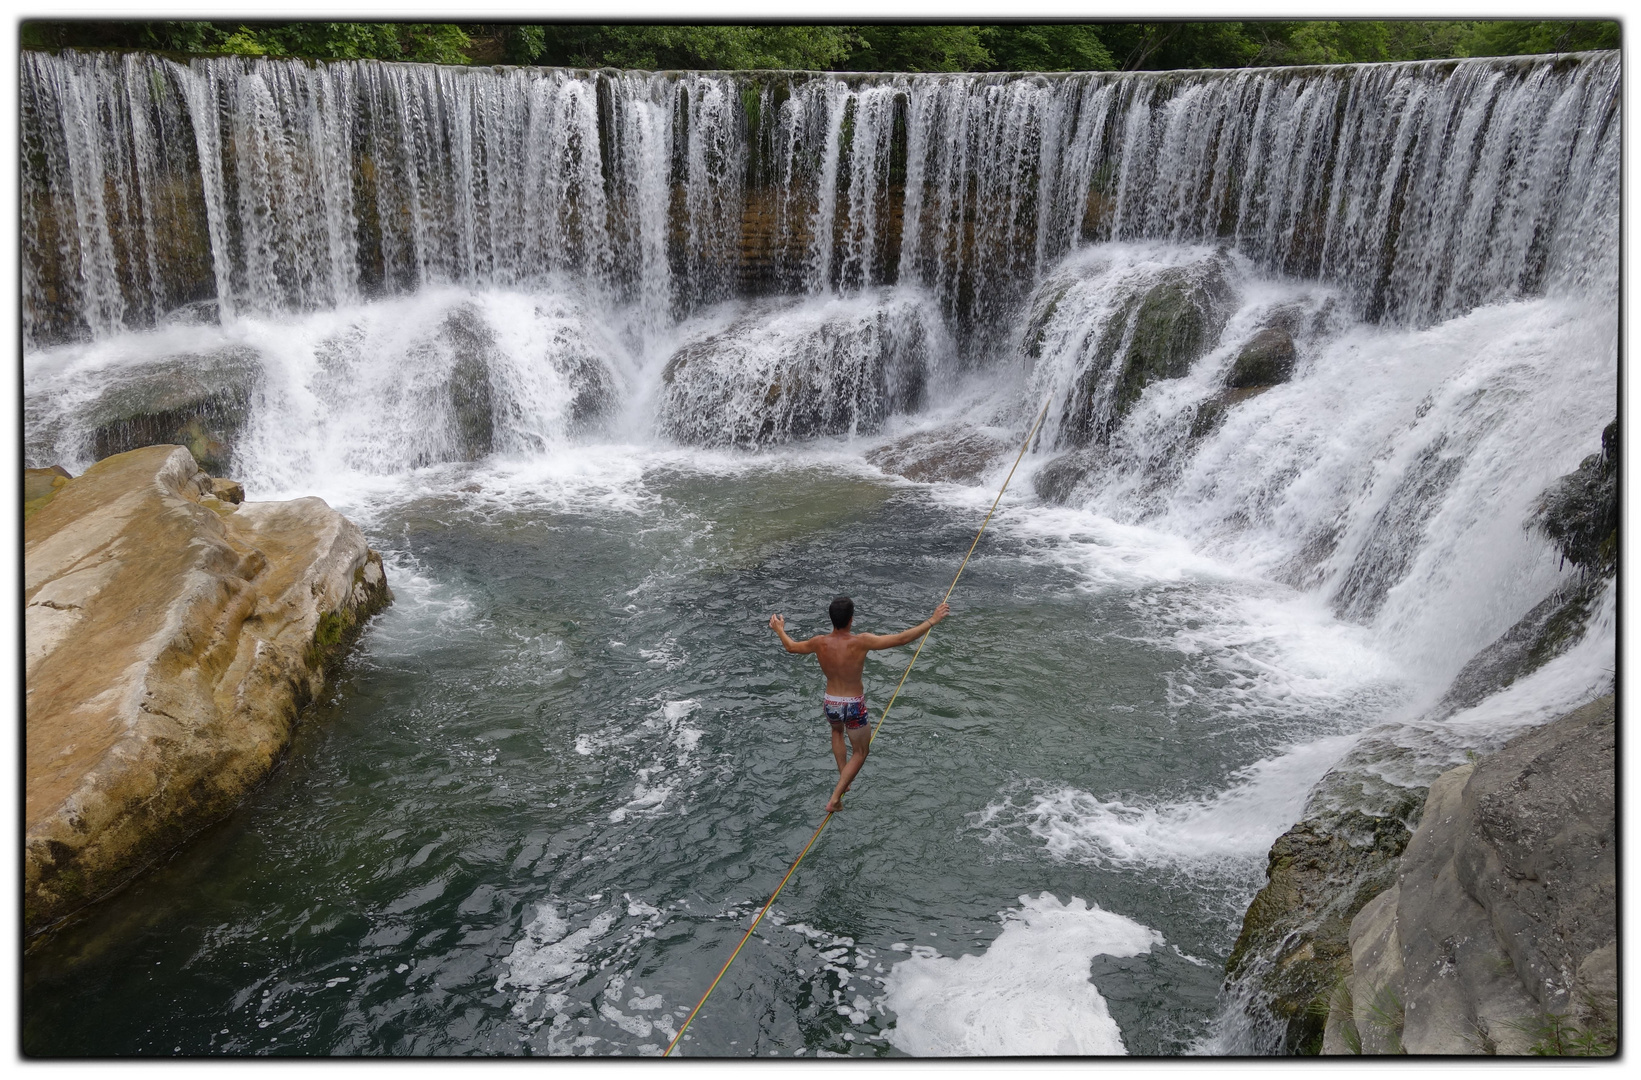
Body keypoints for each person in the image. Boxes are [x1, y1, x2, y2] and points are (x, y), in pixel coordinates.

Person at [768, 595, 950, 813]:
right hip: (853, 704)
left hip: (831, 702)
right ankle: (835, 798)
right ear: (851, 620)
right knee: (861, 752)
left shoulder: (819, 642)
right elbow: (901, 639)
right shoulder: (861, 641)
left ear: (832, 619)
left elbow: (791, 647)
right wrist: (932, 620)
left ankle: (845, 776)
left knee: (837, 733)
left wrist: (779, 629)